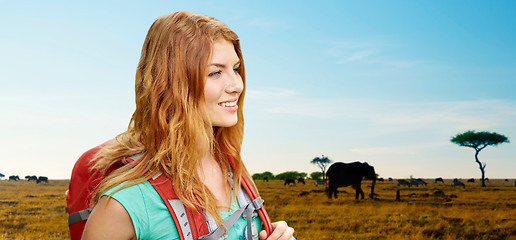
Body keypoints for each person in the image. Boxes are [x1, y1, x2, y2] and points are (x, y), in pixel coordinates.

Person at [81, 11, 295, 240]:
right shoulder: (125, 204)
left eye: (235, 68)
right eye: (215, 72)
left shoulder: (236, 174)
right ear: (173, 83)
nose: (236, 85)